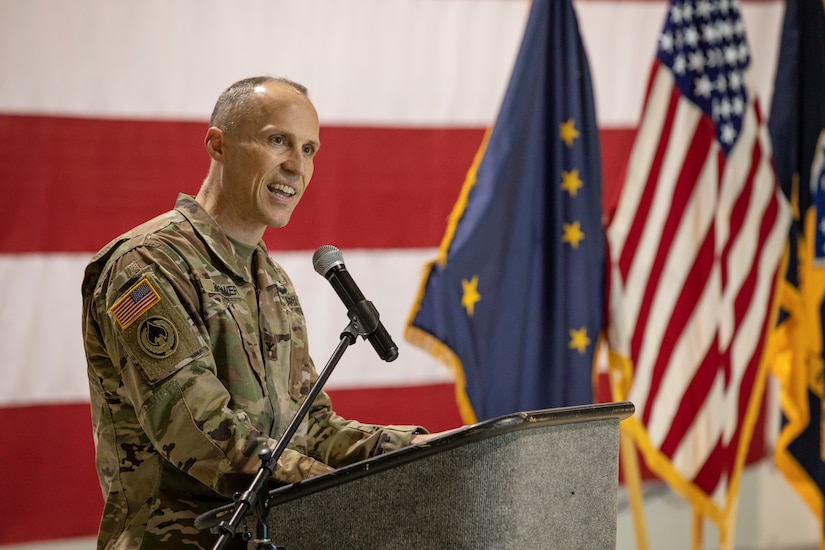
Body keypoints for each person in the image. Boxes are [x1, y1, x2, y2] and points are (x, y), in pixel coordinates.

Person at [81, 76, 436, 549]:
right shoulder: (146, 264)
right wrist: (341, 495)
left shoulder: (272, 280)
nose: (297, 166)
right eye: (278, 141)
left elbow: (309, 427)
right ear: (218, 144)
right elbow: (198, 428)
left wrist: (415, 451)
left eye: (310, 150)